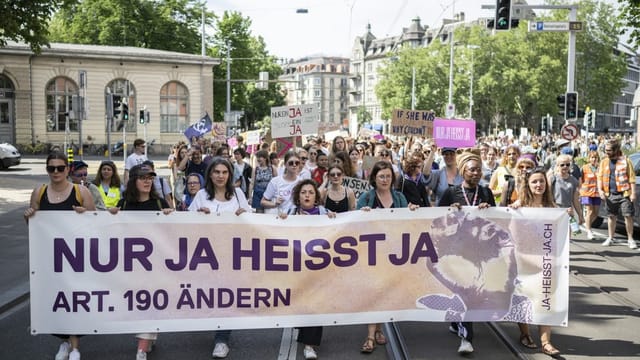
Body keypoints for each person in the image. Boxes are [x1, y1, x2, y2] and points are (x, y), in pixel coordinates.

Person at [24, 153, 96, 360]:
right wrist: (28, 217)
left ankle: (74, 347)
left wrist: (85, 213)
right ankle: (65, 343)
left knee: (75, 299)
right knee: (57, 300)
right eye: (51, 168)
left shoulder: (80, 191)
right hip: (51, 259)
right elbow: (35, 226)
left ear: (67, 170)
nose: (55, 172)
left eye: (60, 168)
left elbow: (96, 222)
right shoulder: (39, 192)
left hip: (77, 258)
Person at [108, 164, 173, 360]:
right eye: (143, 177)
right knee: (139, 305)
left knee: (150, 303)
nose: (147, 181)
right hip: (131, 265)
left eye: (150, 178)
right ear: (133, 180)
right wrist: (109, 216)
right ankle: (148, 338)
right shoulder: (124, 204)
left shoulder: (160, 203)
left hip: (156, 266)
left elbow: (173, 234)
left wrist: (171, 217)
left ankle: (141, 348)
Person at [188, 157, 250, 358]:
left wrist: (245, 214)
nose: (221, 176)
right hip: (206, 255)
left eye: (224, 172)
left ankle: (222, 339)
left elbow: (252, 221)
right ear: (210, 175)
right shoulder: (201, 195)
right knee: (209, 295)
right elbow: (186, 223)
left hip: (232, 254)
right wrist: (198, 215)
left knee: (227, 296)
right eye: (217, 172)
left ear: (230, 175)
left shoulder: (238, 194)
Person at [436, 150, 496, 355]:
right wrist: (449, 212)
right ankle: (466, 339)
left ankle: (456, 322)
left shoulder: (486, 192)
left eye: (479, 169)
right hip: (456, 252)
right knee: (466, 292)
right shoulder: (451, 193)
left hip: (479, 252)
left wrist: (488, 210)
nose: (476, 173)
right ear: (463, 171)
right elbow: (436, 219)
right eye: (472, 170)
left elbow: (497, 221)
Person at [356, 161, 418, 354]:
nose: (385, 180)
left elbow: (406, 222)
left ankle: (379, 329)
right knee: (374, 292)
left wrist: (413, 211)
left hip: (392, 254)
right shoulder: (366, 197)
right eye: (381, 176)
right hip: (371, 253)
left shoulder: (399, 197)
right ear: (374, 178)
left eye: (388, 176)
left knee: (384, 292)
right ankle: (370, 335)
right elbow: (353, 222)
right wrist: (361, 213)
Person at [279, 179, 336, 359]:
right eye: (303, 192)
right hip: (296, 268)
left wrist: (336, 219)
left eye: (311, 192)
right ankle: (303, 330)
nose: (307, 195)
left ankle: (310, 345)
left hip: (318, 267)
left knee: (316, 303)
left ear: (316, 196)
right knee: (301, 301)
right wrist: (281, 221)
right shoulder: (290, 213)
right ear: (298, 196)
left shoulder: (324, 213)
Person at [509, 167, 562, 357]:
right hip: (524, 262)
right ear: (528, 185)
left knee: (546, 298)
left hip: (547, 262)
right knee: (524, 299)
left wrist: (566, 219)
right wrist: (514, 210)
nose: (538, 185)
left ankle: (546, 342)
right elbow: (512, 233)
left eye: (541, 181)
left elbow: (565, 237)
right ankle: (525, 333)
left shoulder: (553, 208)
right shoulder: (520, 206)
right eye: (534, 182)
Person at [598, 139, 637, 249]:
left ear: (616, 150)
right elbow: (600, 177)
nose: (606, 152)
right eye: (605, 150)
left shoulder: (626, 160)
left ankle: (630, 239)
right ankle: (611, 237)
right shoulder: (604, 162)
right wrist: (600, 190)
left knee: (628, 216)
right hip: (610, 194)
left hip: (624, 193)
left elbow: (632, 178)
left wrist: (633, 193)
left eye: (609, 150)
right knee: (611, 216)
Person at [548, 154, 584, 229]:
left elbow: (575, 200)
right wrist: (556, 208)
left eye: (567, 164)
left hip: (569, 211)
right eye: (562, 165)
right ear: (557, 166)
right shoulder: (552, 178)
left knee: (568, 235)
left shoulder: (573, 180)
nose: (565, 166)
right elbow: (549, 197)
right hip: (556, 210)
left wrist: (580, 215)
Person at [579, 150, 601, 239]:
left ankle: (587, 224)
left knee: (596, 213)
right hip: (586, 193)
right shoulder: (584, 168)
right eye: (592, 157)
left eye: (595, 157)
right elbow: (580, 180)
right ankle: (589, 231)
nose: (594, 159)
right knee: (590, 211)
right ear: (589, 158)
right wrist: (579, 192)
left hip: (597, 193)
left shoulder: (600, 168)